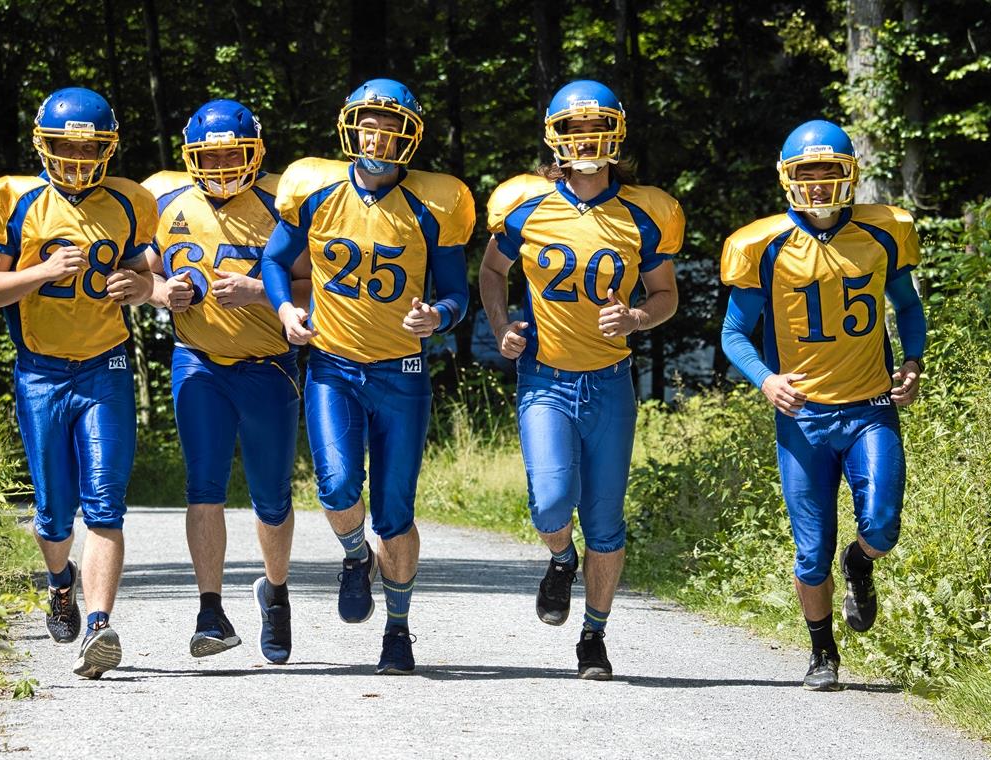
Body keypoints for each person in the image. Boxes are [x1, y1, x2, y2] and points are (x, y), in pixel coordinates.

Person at [260, 78, 474, 675]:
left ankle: (399, 629)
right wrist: (284, 308)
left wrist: (439, 314)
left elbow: (457, 294)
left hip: (403, 373)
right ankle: (356, 557)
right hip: (333, 364)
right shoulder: (316, 187)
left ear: (409, 134)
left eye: (390, 123)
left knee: (396, 515)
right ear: (352, 125)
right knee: (334, 487)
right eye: (369, 122)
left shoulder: (437, 203)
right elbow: (276, 261)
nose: (377, 133)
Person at [479, 80, 682, 680]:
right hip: (544, 375)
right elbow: (492, 272)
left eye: (596, 127)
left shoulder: (644, 213)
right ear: (554, 136)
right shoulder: (524, 205)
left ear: (617, 133)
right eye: (573, 129)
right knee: (549, 504)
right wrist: (500, 327)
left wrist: (639, 315)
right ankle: (560, 558)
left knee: (606, 519)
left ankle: (593, 637)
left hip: (610, 382)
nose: (586, 140)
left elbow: (666, 293)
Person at [720, 119, 926, 691]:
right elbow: (734, 333)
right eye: (805, 174)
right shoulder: (760, 244)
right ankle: (822, 651)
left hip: (869, 407)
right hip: (803, 416)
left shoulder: (883, 232)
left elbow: (906, 307)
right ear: (788, 179)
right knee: (810, 553)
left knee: (882, 526)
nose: (816, 186)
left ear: (849, 173)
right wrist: (765, 380)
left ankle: (859, 563)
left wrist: (912, 361)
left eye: (828, 172)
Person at [0, 87, 157, 679]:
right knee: (53, 512)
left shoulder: (129, 202)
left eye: (89, 149)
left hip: (107, 363)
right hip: (41, 370)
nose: (77, 162)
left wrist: (140, 288)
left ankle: (100, 626)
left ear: (108, 149)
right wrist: (44, 271)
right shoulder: (15, 201)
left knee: (105, 505)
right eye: (64, 148)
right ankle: (60, 582)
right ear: (42, 145)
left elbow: (146, 272)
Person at [141, 99, 310, 664]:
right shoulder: (163, 199)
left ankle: (276, 592)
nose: (220, 167)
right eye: (208, 157)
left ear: (255, 151)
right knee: (203, 485)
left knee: (271, 497)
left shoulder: (280, 200)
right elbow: (142, 275)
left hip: (268, 364)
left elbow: (322, 285)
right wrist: (164, 293)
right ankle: (209, 608)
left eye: (232, 155)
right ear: (189, 157)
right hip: (199, 359)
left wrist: (262, 292)